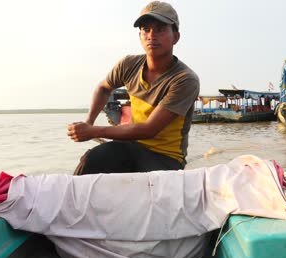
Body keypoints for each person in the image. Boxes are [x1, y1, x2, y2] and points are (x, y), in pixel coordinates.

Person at [67, 1, 200, 175]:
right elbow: (103, 88)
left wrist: (93, 131)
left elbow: (149, 129)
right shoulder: (129, 65)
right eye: (146, 29)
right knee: (92, 159)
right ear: (140, 36)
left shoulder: (184, 80)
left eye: (160, 29)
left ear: (175, 37)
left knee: (149, 184)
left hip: (165, 157)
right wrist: (88, 121)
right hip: (132, 146)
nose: (152, 35)